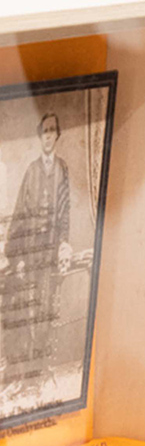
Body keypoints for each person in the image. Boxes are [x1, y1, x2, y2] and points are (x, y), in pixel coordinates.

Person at [3, 112, 70, 375]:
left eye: (52, 130)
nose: (48, 136)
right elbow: (20, 212)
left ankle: (40, 368)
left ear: (58, 135)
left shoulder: (63, 169)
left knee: (46, 305)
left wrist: (64, 243)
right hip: (31, 248)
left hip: (50, 249)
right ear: (39, 136)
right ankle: (25, 368)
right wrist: (13, 252)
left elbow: (66, 210)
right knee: (26, 305)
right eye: (44, 131)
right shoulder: (31, 171)